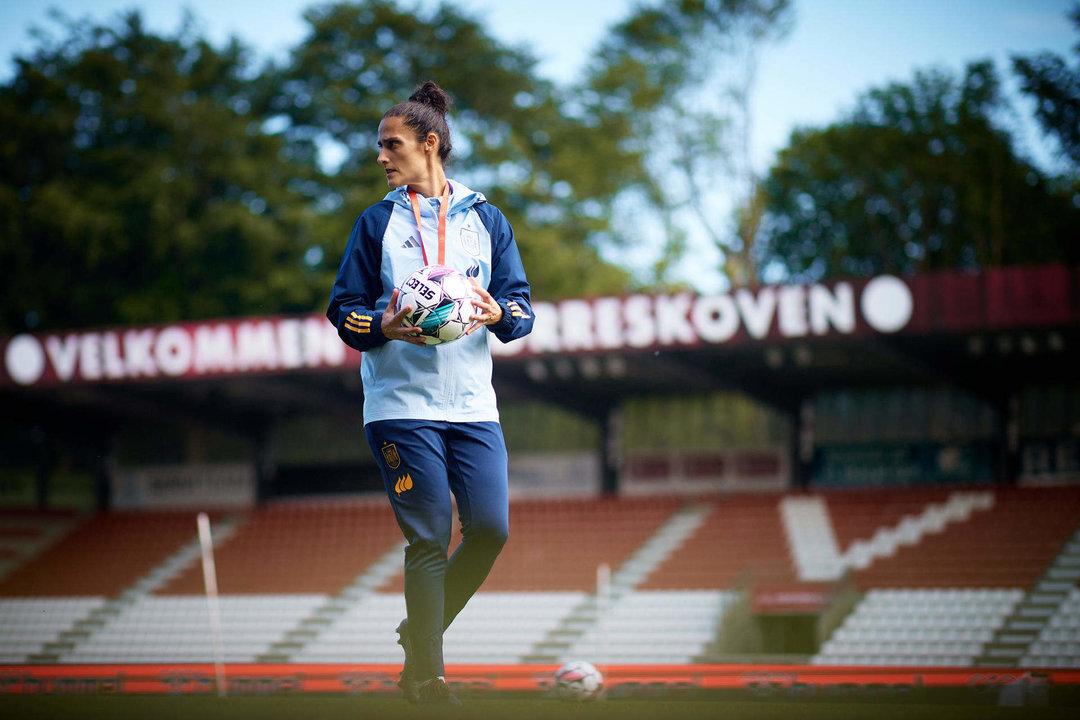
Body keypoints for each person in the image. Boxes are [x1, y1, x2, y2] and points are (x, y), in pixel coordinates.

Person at [326, 80, 534, 706]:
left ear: (430, 144)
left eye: (392, 145)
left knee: (491, 530)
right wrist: (381, 325)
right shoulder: (375, 224)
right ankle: (426, 679)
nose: (381, 157)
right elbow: (344, 310)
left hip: (473, 407)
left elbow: (521, 313)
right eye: (379, 148)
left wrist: (500, 312)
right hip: (399, 407)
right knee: (429, 537)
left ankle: (419, 634)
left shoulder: (486, 219)